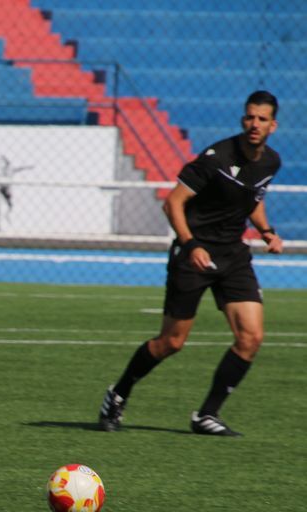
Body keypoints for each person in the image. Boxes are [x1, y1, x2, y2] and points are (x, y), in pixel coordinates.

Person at [98, 90, 284, 437]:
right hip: (193, 254)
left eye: (261, 119)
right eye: (249, 117)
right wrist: (191, 245)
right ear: (242, 119)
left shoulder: (270, 162)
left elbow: (253, 197)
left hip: (233, 255)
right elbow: (173, 204)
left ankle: (206, 415)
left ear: (273, 125)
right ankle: (118, 393)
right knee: (171, 342)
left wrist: (267, 231)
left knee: (251, 337)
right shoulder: (215, 158)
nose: (253, 124)